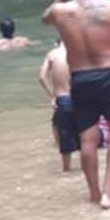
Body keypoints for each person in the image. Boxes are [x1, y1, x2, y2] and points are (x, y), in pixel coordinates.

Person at [44, 0, 110, 208]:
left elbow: (45, 18)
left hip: (81, 79)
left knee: (87, 139)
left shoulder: (62, 11)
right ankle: (108, 193)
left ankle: (94, 193)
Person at [38, 38, 78, 172]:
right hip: (80, 98)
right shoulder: (78, 52)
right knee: (85, 139)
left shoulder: (53, 54)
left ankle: (66, 172)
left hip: (63, 100)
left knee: (64, 141)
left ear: (56, 43)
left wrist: (52, 96)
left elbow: (42, 77)